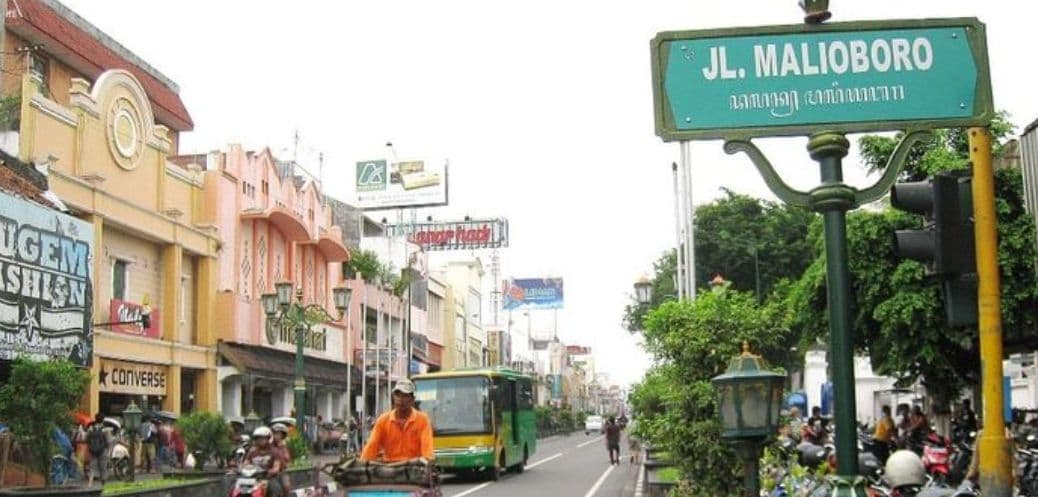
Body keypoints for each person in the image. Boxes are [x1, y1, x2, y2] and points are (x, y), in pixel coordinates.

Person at [360, 379, 434, 463]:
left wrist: (427, 461)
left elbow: (427, 451)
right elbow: (371, 447)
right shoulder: (383, 420)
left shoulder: (422, 420)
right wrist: (362, 465)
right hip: (390, 469)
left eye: (405, 396)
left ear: (412, 399)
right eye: (398, 395)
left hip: (414, 467)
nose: (401, 399)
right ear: (393, 397)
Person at [243, 426, 285, 497]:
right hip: (253, 479)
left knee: (275, 488)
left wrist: (269, 471)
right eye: (258, 438)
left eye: (262, 438)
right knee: (239, 489)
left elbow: (276, 468)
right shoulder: (252, 451)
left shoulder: (274, 452)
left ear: (268, 438)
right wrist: (241, 469)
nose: (260, 440)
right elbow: (245, 464)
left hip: (268, 478)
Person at [85, 413, 109, 486]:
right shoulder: (105, 429)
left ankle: (90, 483)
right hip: (102, 451)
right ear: (103, 420)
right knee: (103, 468)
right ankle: (103, 485)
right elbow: (107, 440)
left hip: (92, 450)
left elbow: (86, 439)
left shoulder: (91, 428)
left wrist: (90, 447)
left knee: (92, 467)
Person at [271, 423, 293, 495]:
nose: (277, 436)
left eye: (279, 434)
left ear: (283, 436)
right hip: (266, 471)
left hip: (280, 472)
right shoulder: (268, 445)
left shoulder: (284, 446)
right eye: (276, 433)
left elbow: (287, 458)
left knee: (286, 485)